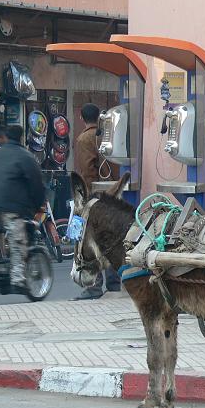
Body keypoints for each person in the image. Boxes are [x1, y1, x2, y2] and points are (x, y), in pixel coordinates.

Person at [72, 104, 121, 300]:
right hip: (113, 193)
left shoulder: (85, 139)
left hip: (95, 195)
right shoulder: (109, 135)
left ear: (82, 117)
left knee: (91, 241)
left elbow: (87, 171)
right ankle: (114, 283)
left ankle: (94, 287)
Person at [0, 126, 45, 292]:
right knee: (17, 241)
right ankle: (18, 280)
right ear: (21, 138)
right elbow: (37, 184)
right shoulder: (25, 156)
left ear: (6, 138)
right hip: (12, 207)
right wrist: (38, 205)